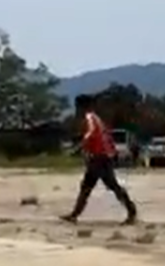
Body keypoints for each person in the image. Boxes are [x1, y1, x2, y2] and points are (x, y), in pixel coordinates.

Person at [59, 94, 138, 226]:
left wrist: (79, 146)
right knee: (88, 186)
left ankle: (131, 211)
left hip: (99, 158)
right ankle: (74, 215)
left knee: (109, 185)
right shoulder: (97, 118)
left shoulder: (90, 118)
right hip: (100, 157)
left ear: (81, 106)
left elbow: (91, 133)